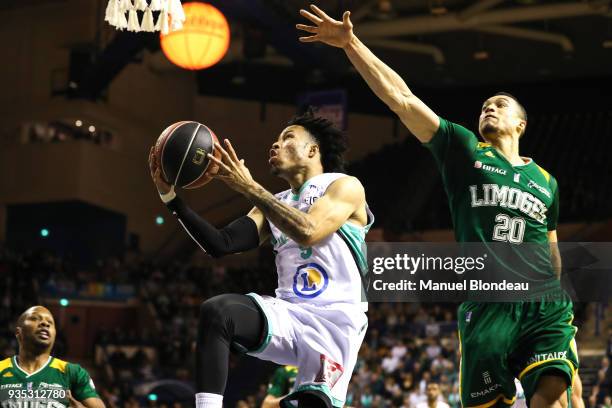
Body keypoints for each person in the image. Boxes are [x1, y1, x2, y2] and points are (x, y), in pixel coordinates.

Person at [296, 5, 578, 408]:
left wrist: (560, 299)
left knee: (553, 393)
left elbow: (551, 246)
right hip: (488, 302)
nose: (489, 107)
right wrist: (351, 44)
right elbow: (402, 98)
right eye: (485, 105)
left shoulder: (546, 180)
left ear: (521, 125)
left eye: (499, 103)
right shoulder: (463, 149)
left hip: (543, 302)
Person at [149, 111, 373, 408]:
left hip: (334, 324)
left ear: (312, 150)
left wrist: (250, 188)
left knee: (310, 404)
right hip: (290, 314)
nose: (275, 144)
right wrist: (171, 199)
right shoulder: (275, 202)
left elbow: (310, 231)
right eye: (276, 139)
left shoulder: (345, 186)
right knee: (218, 312)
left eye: (287, 138)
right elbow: (221, 244)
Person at [0, 306, 104, 408]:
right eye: (35, 318)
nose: (45, 323)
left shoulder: (72, 372)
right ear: (19, 333)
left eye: (50, 322)